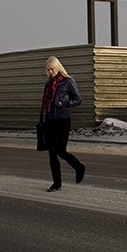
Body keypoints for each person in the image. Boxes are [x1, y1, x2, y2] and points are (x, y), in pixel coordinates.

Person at [40, 57, 86, 191]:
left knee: (60, 150)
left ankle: (78, 166)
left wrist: (65, 104)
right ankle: (56, 183)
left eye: (52, 69)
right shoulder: (48, 84)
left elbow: (78, 99)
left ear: (57, 67)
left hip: (63, 120)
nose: (50, 72)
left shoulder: (67, 81)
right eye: (48, 70)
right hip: (50, 120)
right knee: (52, 154)